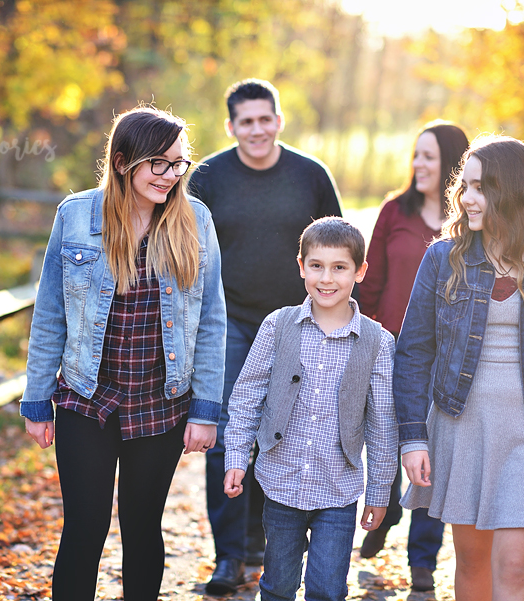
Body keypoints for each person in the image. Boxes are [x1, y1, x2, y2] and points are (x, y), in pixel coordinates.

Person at [20, 106, 226, 601]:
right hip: (86, 399)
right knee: (84, 527)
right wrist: (36, 399)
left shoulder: (195, 220)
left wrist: (205, 409)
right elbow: (50, 314)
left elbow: (212, 320)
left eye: (178, 163)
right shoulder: (75, 216)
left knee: (142, 526)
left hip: (161, 404)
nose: (171, 175)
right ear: (121, 162)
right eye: (159, 163)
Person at [395, 135, 524, 601]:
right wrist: (413, 437)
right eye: (464, 186)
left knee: (513, 567)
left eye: (480, 187)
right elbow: (413, 352)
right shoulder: (444, 258)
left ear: (512, 190)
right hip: (462, 425)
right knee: (472, 563)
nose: (466, 198)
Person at [188, 78, 343, 594]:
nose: (256, 129)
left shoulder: (310, 175)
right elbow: (184, 247)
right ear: (231, 126)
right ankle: (229, 556)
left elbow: (337, 247)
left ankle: (263, 544)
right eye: (245, 121)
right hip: (228, 321)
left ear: (278, 120)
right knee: (227, 433)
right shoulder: (207, 177)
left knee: (282, 433)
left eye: (264, 119)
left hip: (295, 323)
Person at [223, 216, 397, 601]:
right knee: (278, 586)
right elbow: (247, 396)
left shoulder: (378, 342)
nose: (326, 278)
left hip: (338, 490)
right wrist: (236, 455)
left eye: (339, 267)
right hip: (280, 483)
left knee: (327, 590)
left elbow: (382, 424)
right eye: (317, 265)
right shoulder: (278, 325)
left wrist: (379, 491)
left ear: (360, 271)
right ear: (301, 266)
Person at [357, 120, 469, 591]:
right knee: (386, 436)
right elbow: (371, 281)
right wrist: (363, 338)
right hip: (391, 346)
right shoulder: (394, 212)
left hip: (447, 354)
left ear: (453, 164)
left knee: (434, 447)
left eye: (429, 156)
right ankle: (384, 510)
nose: (418, 164)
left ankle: (423, 556)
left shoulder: (467, 222)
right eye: (416, 155)